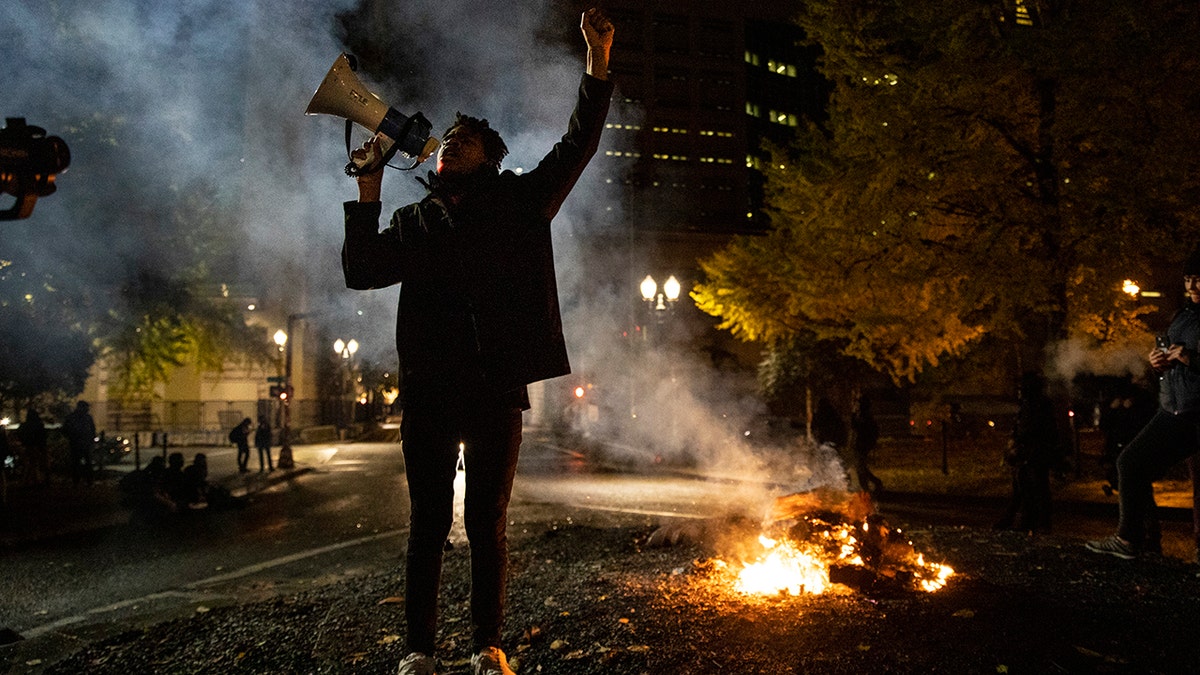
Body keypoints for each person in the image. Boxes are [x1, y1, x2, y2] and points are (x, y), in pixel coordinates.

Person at [340, 9, 613, 675]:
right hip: (430, 392)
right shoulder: (414, 218)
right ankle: (419, 652)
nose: (447, 145)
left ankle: (486, 646)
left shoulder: (519, 202)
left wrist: (598, 58)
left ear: (491, 158)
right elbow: (360, 270)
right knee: (428, 526)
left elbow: (578, 143)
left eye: (463, 140)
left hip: (494, 390)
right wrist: (368, 190)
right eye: (445, 141)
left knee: (487, 525)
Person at [1088, 250, 1200, 560]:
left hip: (1194, 412)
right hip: (1176, 409)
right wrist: (1158, 363)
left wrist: (1191, 359)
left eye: (1199, 280)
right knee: (1130, 462)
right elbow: (1169, 360)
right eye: (1189, 280)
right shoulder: (1183, 316)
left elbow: (1191, 360)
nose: (1193, 287)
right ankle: (1128, 539)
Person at [995, 372, 1060, 532]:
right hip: (1029, 452)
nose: (1019, 390)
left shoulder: (1038, 405)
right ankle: (1025, 521)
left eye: (1022, 387)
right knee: (1023, 487)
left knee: (1037, 488)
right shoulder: (1030, 404)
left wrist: (1020, 442)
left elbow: (1033, 429)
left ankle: (1039, 522)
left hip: (1035, 452)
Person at [850, 394, 884, 494]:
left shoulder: (865, 416)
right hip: (863, 444)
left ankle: (868, 488)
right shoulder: (865, 416)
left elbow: (857, 427)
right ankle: (868, 487)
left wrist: (853, 415)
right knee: (860, 467)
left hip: (862, 445)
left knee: (860, 467)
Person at [62, 400, 96, 486]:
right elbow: (92, 430)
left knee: (77, 463)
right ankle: (85, 480)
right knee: (84, 463)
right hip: (81, 443)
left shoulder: (73, 417)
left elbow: (65, 429)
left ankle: (78, 480)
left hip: (77, 443)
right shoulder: (87, 418)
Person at [17, 405, 49, 486]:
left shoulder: (24, 426)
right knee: (35, 464)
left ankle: (27, 481)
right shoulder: (39, 425)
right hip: (37, 447)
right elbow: (43, 437)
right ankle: (36, 480)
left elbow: (19, 435)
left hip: (27, 447)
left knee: (29, 465)